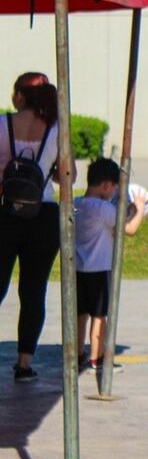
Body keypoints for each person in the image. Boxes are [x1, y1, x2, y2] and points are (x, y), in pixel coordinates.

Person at [0, 72, 59, 383]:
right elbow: (68, 175)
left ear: (20, 95)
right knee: (34, 291)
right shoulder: (57, 129)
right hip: (44, 214)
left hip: (6, 212)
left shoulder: (3, 124)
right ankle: (24, 363)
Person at [74, 158, 147, 374]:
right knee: (99, 316)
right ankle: (98, 358)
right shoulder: (103, 208)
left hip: (78, 269)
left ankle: (77, 354)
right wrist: (139, 209)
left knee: (80, 314)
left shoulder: (77, 204)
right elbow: (129, 229)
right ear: (107, 185)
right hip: (99, 269)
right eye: (114, 187)